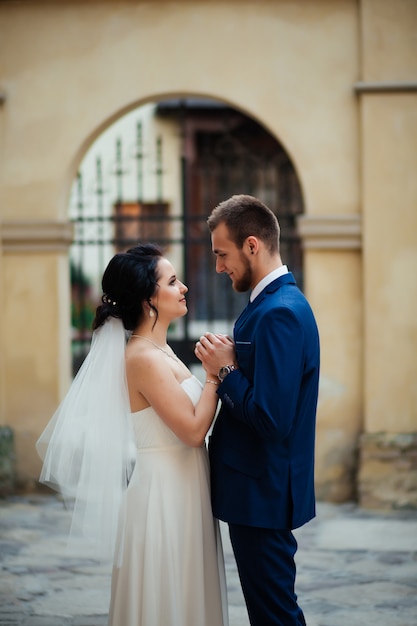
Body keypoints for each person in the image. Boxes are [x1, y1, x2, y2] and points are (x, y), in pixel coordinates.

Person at [36, 243, 229, 626]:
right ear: (148, 299)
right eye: (173, 282)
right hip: (163, 495)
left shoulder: (161, 352)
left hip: (185, 487)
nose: (184, 287)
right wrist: (213, 375)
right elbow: (192, 431)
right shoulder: (142, 357)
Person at [194, 195, 320, 626]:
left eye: (221, 254)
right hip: (258, 489)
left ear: (252, 245)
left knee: (275, 616)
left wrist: (225, 370)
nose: (218, 267)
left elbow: (272, 419)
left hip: (262, 492)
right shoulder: (269, 305)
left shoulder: (280, 313)